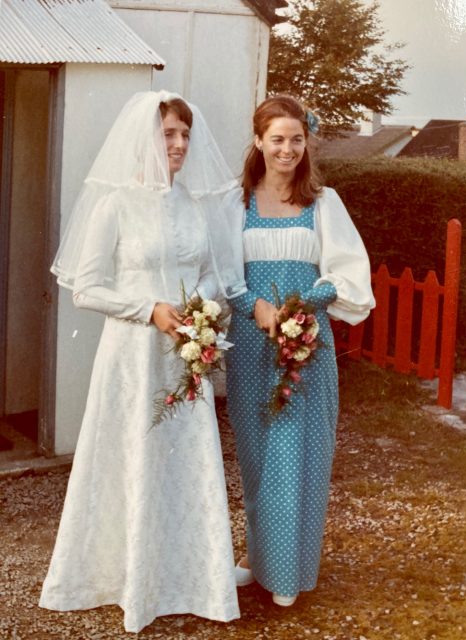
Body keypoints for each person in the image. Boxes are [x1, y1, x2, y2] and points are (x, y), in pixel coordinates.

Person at [39, 91, 240, 632]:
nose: (177, 145)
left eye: (184, 135)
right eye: (167, 134)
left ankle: (190, 579)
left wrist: (200, 307)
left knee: (183, 460)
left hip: (182, 357)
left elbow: (208, 272)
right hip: (131, 357)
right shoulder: (116, 204)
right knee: (130, 456)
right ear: (144, 139)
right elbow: (86, 288)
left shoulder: (193, 205)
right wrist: (147, 307)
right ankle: (122, 578)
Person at [222, 95, 375, 607]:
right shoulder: (234, 203)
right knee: (257, 454)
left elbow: (350, 272)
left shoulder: (322, 202)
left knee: (297, 452)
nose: (286, 149)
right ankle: (258, 558)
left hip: (306, 344)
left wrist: (306, 303)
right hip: (250, 343)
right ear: (259, 141)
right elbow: (223, 275)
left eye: (296, 139)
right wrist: (258, 309)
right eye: (277, 139)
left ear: (306, 143)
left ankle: (287, 573)